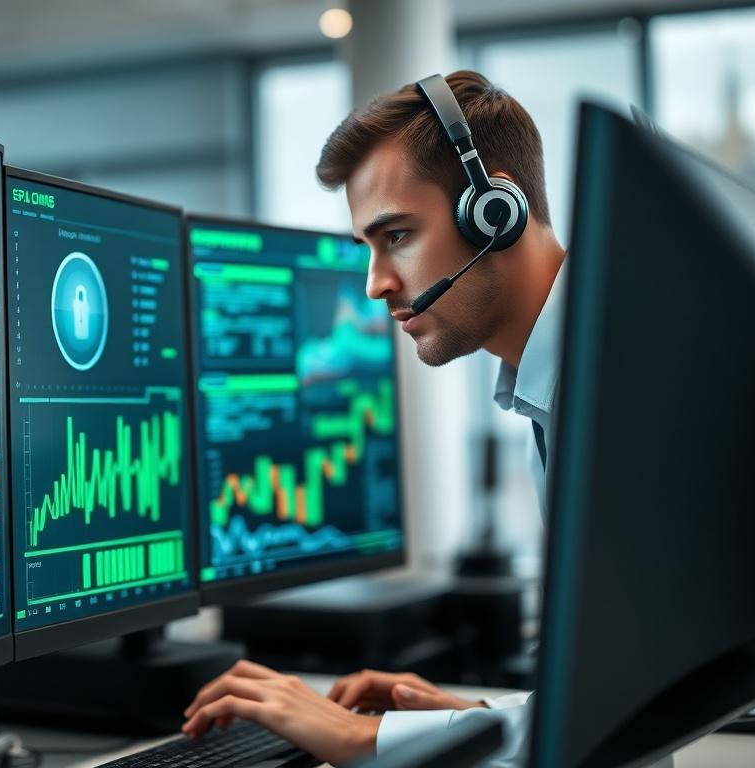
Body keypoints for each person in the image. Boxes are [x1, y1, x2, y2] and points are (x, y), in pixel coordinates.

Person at [181, 70, 566, 766]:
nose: (375, 284)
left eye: (398, 235)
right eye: (368, 246)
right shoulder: (558, 389)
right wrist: (474, 721)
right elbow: (618, 697)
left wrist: (365, 736)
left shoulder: (616, 379)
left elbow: (637, 712)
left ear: (495, 211)